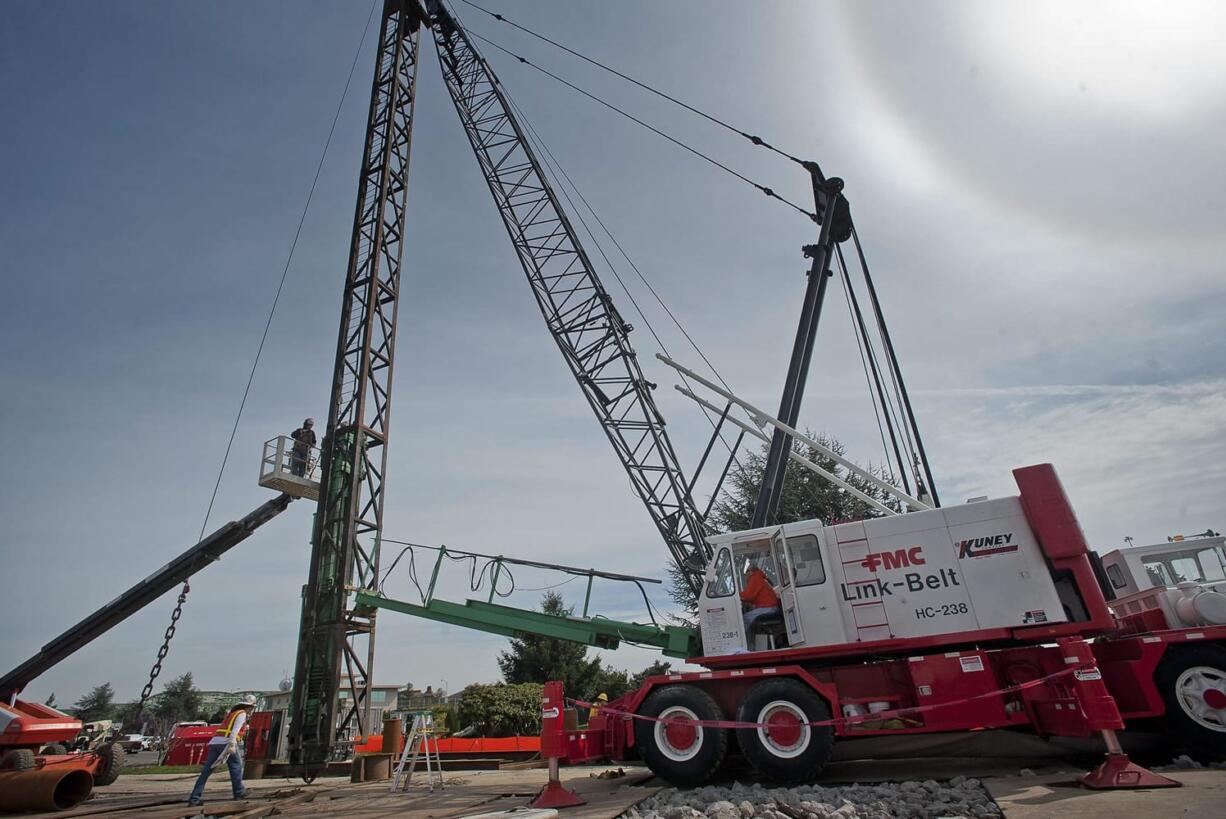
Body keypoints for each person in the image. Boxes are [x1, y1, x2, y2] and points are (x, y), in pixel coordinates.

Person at [187, 694, 256, 806]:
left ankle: (194, 798)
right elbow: (235, 730)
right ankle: (239, 792)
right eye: (252, 708)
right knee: (236, 767)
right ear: (249, 707)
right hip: (227, 742)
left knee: (206, 771)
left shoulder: (232, 713)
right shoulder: (242, 714)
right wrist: (232, 744)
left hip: (215, 742)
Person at [740, 564, 780, 644]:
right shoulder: (760, 578)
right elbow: (754, 597)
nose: (745, 575)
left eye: (747, 572)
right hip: (771, 607)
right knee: (749, 617)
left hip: (769, 608)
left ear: (751, 572)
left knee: (745, 619)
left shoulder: (755, 578)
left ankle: (743, 643)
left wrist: (736, 595)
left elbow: (748, 596)